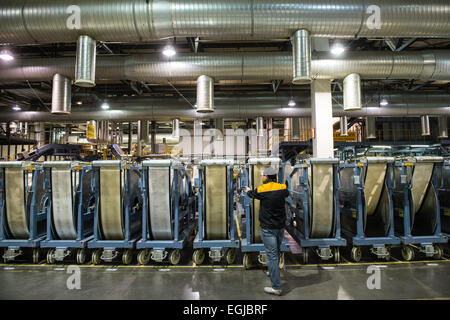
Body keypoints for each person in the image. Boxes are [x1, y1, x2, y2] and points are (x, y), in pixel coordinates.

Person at [245, 166, 289, 296]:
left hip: (268, 228)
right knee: (277, 251)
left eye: (262, 175)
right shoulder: (282, 188)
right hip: (280, 227)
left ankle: (276, 287)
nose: (261, 177)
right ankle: (273, 270)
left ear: (266, 177)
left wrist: (248, 190)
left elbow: (252, 194)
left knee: (272, 256)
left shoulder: (262, 189)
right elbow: (286, 194)